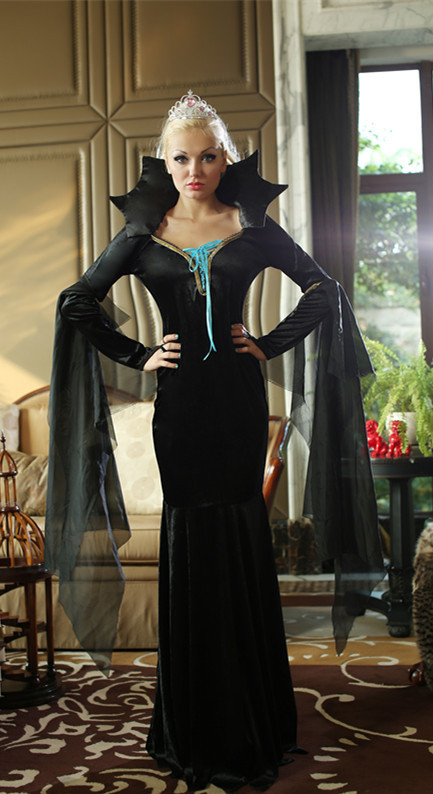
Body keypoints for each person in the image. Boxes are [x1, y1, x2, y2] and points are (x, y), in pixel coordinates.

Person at [45, 91, 384, 791]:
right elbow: (76, 300)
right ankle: (193, 726)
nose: (193, 170)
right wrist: (139, 355)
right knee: (190, 541)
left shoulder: (250, 225)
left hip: (236, 409)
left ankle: (253, 720)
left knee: (239, 539)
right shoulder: (143, 233)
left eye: (206, 157)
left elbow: (323, 290)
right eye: (181, 159)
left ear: (224, 160)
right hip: (180, 413)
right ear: (164, 164)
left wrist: (268, 343)